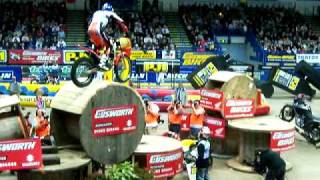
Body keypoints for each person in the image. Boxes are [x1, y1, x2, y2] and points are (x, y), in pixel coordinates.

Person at [88, 2, 128, 70]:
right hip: (97, 31)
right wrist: (125, 28)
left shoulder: (97, 12)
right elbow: (120, 20)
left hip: (90, 30)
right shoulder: (109, 13)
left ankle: (94, 62)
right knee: (109, 45)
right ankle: (102, 63)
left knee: (99, 46)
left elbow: (90, 21)